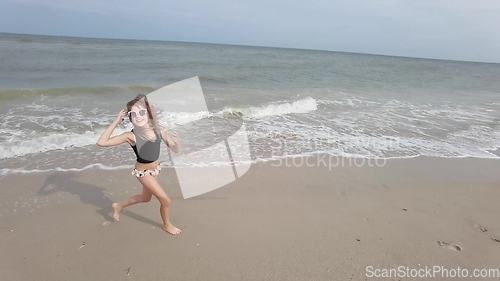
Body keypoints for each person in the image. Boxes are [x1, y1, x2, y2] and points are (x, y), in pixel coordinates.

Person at [97, 94, 182, 235]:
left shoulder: (159, 130)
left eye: (142, 112)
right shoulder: (131, 136)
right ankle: (167, 225)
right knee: (165, 200)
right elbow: (102, 142)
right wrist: (116, 122)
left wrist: (177, 142)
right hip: (142, 173)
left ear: (148, 114)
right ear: (130, 118)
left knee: (145, 198)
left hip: (155, 170)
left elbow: (175, 150)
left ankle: (118, 205)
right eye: (133, 114)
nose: (138, 116)